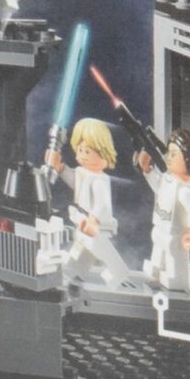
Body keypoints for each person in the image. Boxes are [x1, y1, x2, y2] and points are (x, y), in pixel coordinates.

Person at [46, 117, 130, 287]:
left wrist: (93, 220)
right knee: (81, 252)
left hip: (97, 226)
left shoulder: (99, 180)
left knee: (102, 251)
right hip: (83, 222)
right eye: (80, 150)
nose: (83, 155)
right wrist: (60, 167)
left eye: (88, 151)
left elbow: (102, 204)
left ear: (103, 152)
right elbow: (74, 181)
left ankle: (119, 273)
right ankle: (71, 273)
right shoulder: (83, 173)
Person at [137, 128, 190, 294]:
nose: (169, 157)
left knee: (174, 256)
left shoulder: (184, 191)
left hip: (175, 234)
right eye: (169, 153)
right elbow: (157, 187)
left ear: (188, 159)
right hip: (160, 227)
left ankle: (176, 279)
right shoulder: (168, 181)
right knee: (158, 255)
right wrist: (146, 169)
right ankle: (156, 271)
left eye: (174, 154)